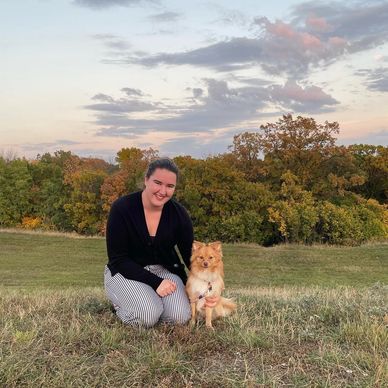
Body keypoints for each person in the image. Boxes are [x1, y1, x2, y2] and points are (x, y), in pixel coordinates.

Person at [104, 157, 218, 328]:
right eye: (158, 183)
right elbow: (118, 259)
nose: (163, 191)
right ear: (146, 180)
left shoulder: (179, 214)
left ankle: (149, 301)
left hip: (164, 271)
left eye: (170, 186)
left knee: (180, 317)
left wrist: (210, 287)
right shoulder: (122, 208)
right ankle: (121, 304)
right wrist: (155, 283)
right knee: (147, 316)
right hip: (125, 271)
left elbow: (192, 257)